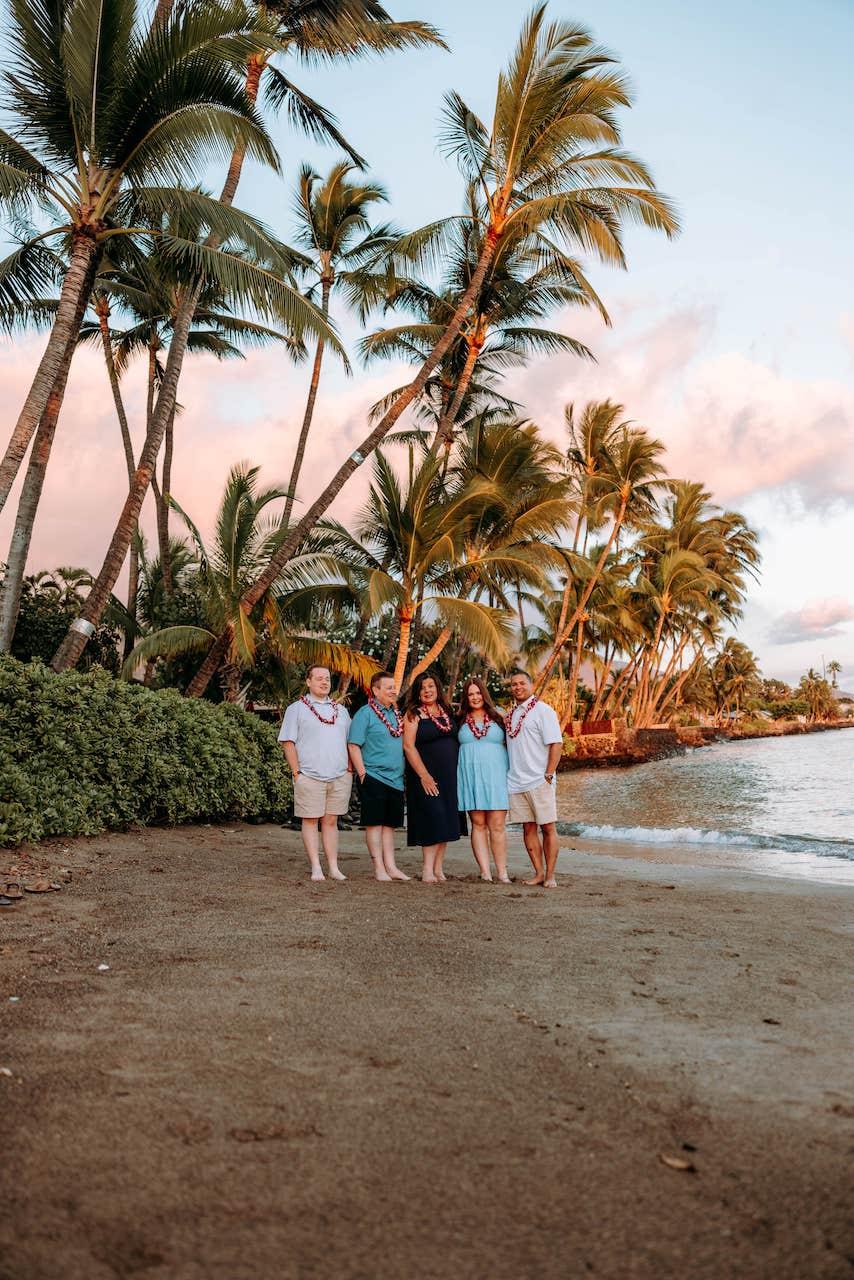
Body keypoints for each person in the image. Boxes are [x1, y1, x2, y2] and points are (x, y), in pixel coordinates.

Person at [279, 665, 352, 882]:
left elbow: (351, 742)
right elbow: (287, 742)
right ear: (308, 682)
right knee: (310, 820)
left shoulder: (341, 711)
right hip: (309, 775)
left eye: (327, 678)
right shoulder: (297, 709)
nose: (324, 682)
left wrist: (349, 769)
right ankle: (316, 867)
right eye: (318, 678)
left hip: (339, 775)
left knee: (331, 822)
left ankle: (333, 867)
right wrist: (296, 773)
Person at [347, 671, 410, 882]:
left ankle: (391, 866)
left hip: (396, 779)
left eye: (394, 687)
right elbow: (354, 744)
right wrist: (363, 773)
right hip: (373, 776)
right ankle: (379, 868)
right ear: (376, 690)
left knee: (390, 825)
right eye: (389, 687)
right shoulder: (365, 713)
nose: (394, 691)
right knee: (374, 823)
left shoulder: (397, 715)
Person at [403, 672, 464, 884]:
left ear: (437, 688)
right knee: (433, 818)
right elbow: (408, 746)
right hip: (425, 776)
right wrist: (424, 775)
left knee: (446, 820)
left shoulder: (447, 712)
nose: (427, 690)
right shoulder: (413, 714)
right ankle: (427, 869)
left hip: (449, 777)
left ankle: (438, 869)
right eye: (422, 687)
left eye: (431, 686)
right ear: (418, 693)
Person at [505, 670, 564, 889]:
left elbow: (556, 744)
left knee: (548, 828)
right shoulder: (510, 716)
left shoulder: (543, 711)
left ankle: (550, 875)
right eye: (513, 684)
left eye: (522, 683)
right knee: (528, 829)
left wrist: (548, 774)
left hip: (540, 780)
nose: (517, 687)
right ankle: (538, 873)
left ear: (531, 685)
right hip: (516, 782)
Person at [457, 677, 511, 883]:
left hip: (497, 776)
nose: (475, 697)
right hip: (470, 777)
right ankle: (485, 872)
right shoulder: (459, 719)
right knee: (478, 824)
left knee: (497, 825)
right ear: (466, 697)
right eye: (470, 694)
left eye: (478, 693)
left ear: (484, 694)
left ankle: (502, 872)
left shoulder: (499, 716)